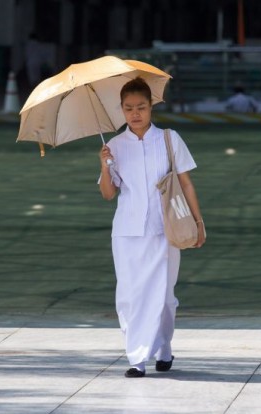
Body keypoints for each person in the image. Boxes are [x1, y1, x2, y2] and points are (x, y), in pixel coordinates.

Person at [98, 77, 206, 378]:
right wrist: (103, 165)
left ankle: (163, 348)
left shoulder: (170, 139)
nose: (135, 114)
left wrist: (199, 222)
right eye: (129, 108)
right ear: (121, 109)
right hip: (127, 232)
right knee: (130, 295)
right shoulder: (114, 146)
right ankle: (137, 357)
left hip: (166, 228)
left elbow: (186, 183)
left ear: (151, 107)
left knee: (164, 294)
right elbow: (108, 193)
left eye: (141, 107)